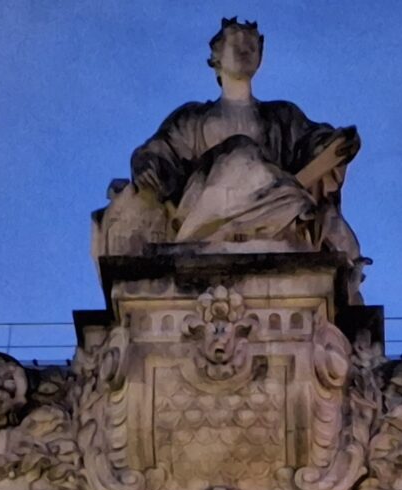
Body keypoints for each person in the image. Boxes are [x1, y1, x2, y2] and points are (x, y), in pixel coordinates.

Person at [94, 18, 365, 288]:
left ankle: (270, 206)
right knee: (241, 152)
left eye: (252, 44)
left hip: (275, 207)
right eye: (236, 42)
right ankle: (267, 201)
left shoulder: (283, 115)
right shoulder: (192, 117)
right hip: (205, 204)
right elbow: (159, 152)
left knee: (247, 156)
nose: (245, 49)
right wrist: (148, 165)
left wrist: (332, 146)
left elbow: (311, 143)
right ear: (216, 57)